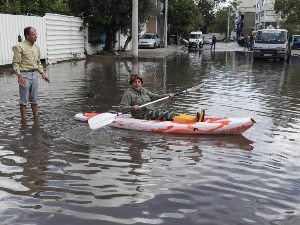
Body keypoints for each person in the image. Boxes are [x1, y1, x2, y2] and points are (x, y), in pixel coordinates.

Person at [120, 74, 204, 122]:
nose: (137, 84)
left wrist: (167, 95)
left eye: (139, 82)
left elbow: (154, 97)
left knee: (170, 112)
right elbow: (122, 108)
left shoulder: (144, 90)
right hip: (141, 115)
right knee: (164, 114)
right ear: (131, 83)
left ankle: (192, 118)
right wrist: (132, 107)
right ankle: (192, 121)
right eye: (135, 82)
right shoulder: (128, 94)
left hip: (151, 111)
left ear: (141, 83)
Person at [12, 26, 50, 120]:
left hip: (35, 75)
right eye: (33, 35)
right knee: (23, 101)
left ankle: (36, 120)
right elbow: (16, 63)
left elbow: (38, 62)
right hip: (24, 75)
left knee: (35, 100)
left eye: (36, 34)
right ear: (27, 36)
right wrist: (19, 76)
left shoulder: (36, 47)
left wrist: (42, 74)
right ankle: (24, 122)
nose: (36, 36)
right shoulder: (19, 47)